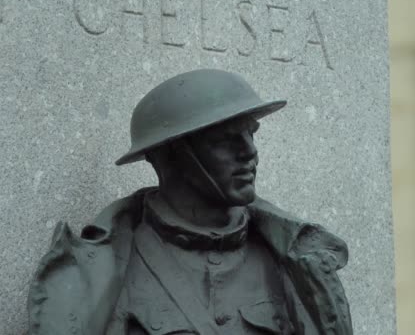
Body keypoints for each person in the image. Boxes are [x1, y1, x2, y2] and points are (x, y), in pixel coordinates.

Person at [27, 69, 352, 335]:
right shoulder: (101, 270)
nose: (250, 152)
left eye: (251, 134)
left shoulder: (295, 261)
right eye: (225, 140)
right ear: (168, 155)